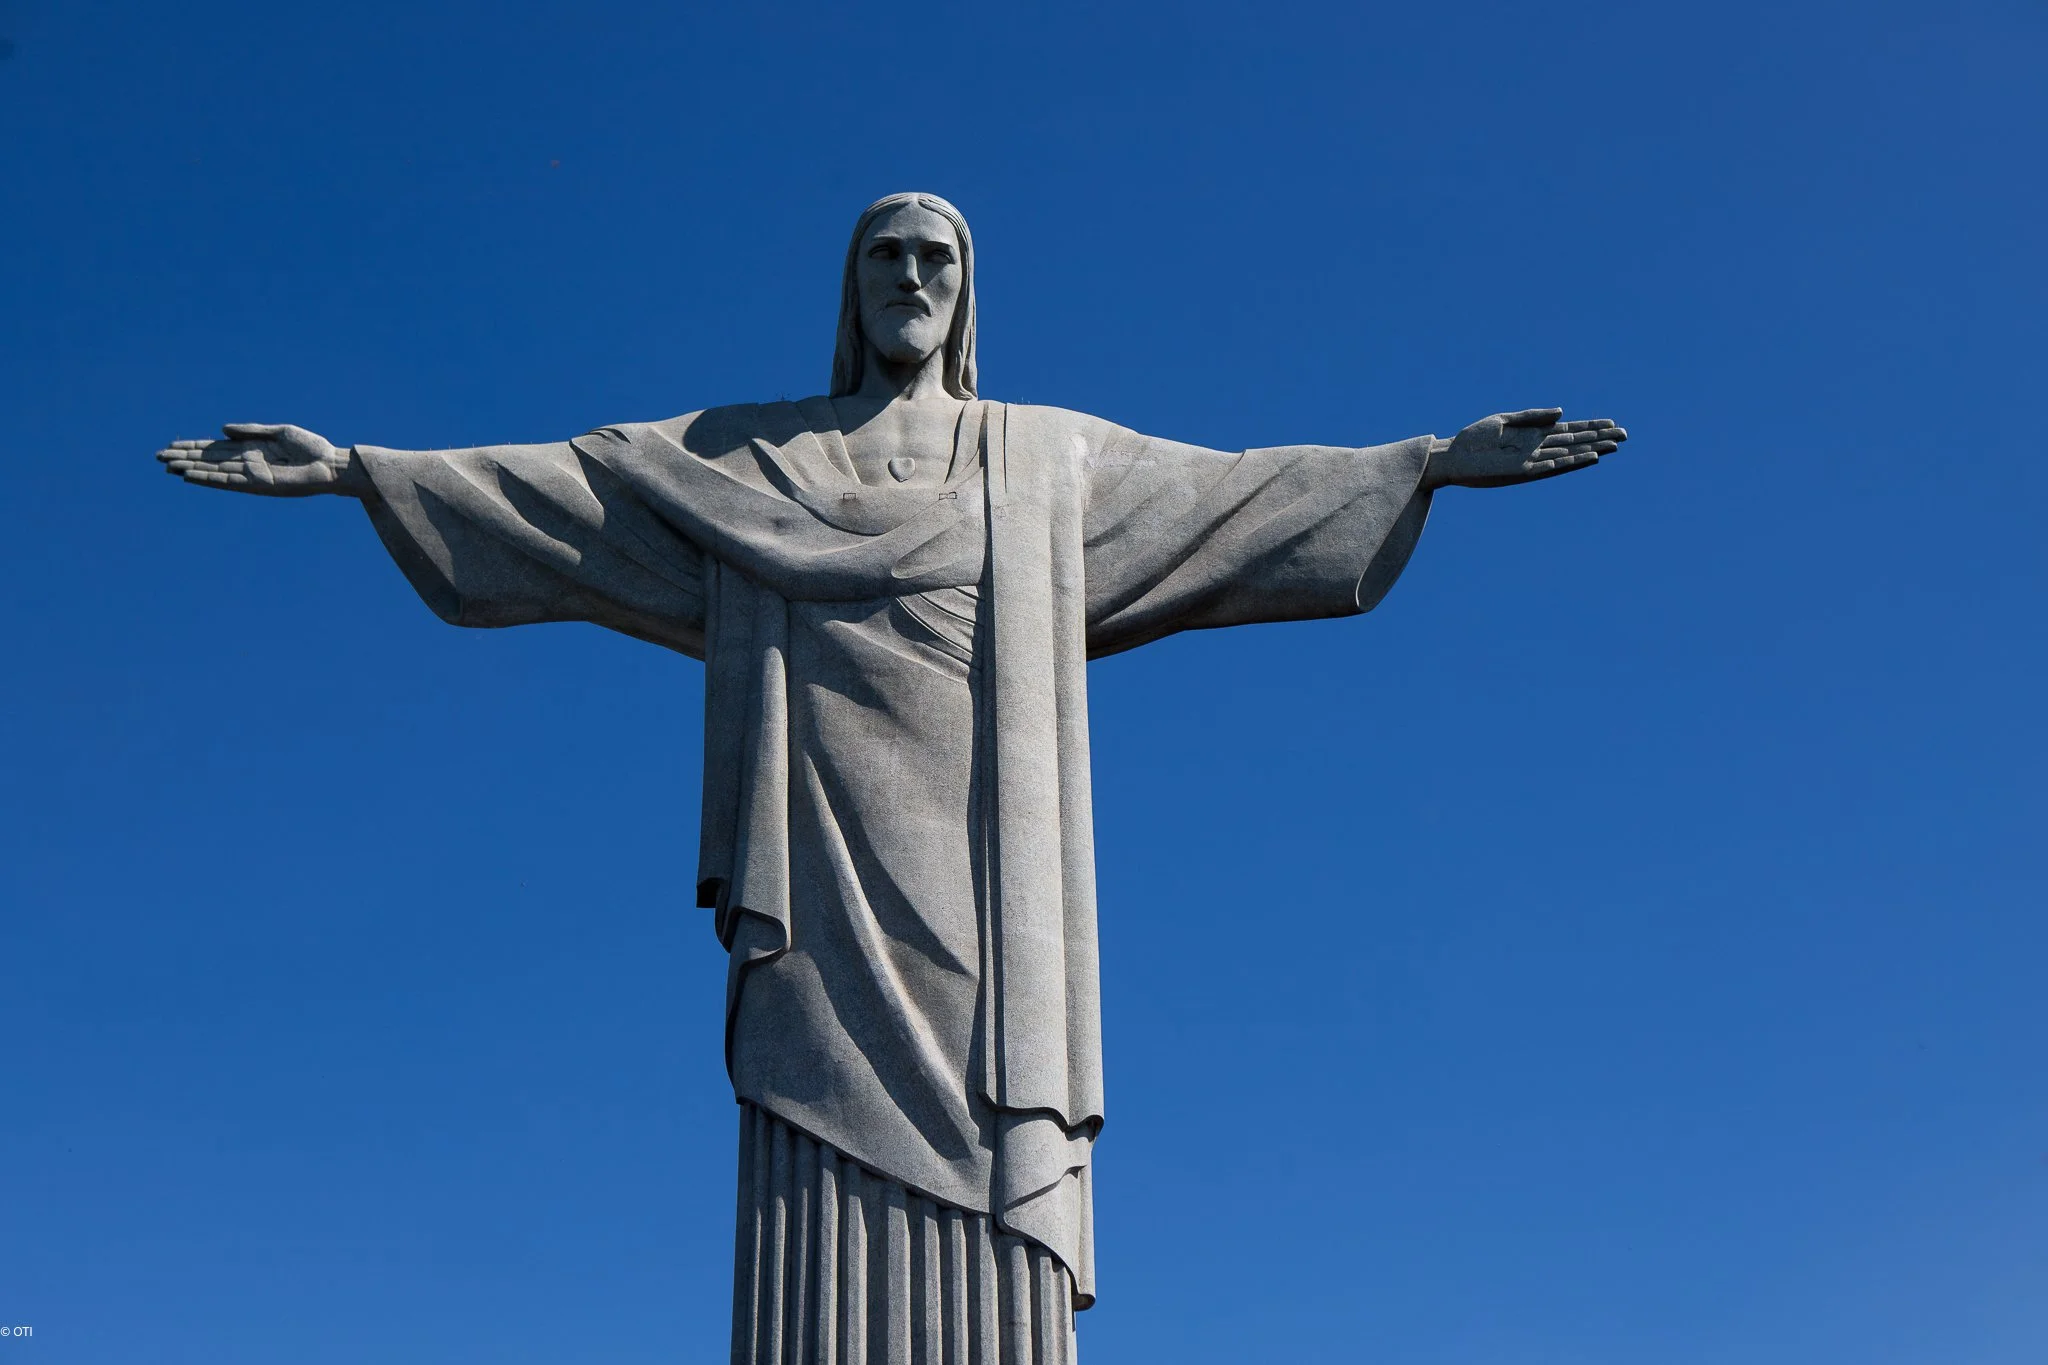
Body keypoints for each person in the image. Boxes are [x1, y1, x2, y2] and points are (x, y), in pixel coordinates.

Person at [160, 191, 1626, 1365]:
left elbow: (1233, 491)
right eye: (885, 257)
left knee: (993, 1162)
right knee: (809, 1155)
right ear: (850, 287)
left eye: (937, 256)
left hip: (997, 896)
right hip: (815, 881)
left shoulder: (1042, 460)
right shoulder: (745, 455)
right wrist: (360, 469)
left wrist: (1424, 462)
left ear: (967, 289)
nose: (912, 276)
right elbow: (573, 486)